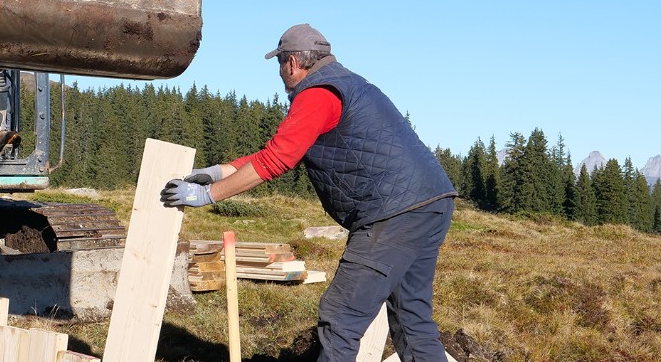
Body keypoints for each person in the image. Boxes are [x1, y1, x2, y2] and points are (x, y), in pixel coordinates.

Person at [161, 24, 457, 362]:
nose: (280, 73)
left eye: (279, 65)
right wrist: (215, 173)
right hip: (432, 203)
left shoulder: (318, 93)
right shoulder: (347, 85)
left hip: (392, 214)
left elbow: (278, 159)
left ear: (291, 63)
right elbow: (277, 150)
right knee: (412, 318)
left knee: (341, 316)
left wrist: (207, 195)